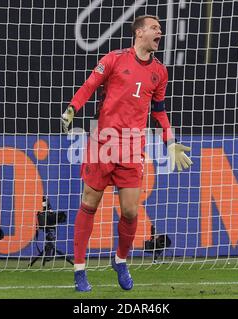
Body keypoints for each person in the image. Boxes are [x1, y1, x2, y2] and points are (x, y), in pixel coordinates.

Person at [61, 15, 193, 292]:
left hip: (133, 144)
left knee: (131, 211)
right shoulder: (114, 59)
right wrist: (73, 108)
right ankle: (80, 270)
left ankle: (120, 260)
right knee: (90, 204)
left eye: (160, 28)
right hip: (103, 141)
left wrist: (170, 141)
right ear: (139, 32)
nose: (160, 32)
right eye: (155, 28)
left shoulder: (160, 71)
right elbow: (89, 86)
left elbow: (158, 111)